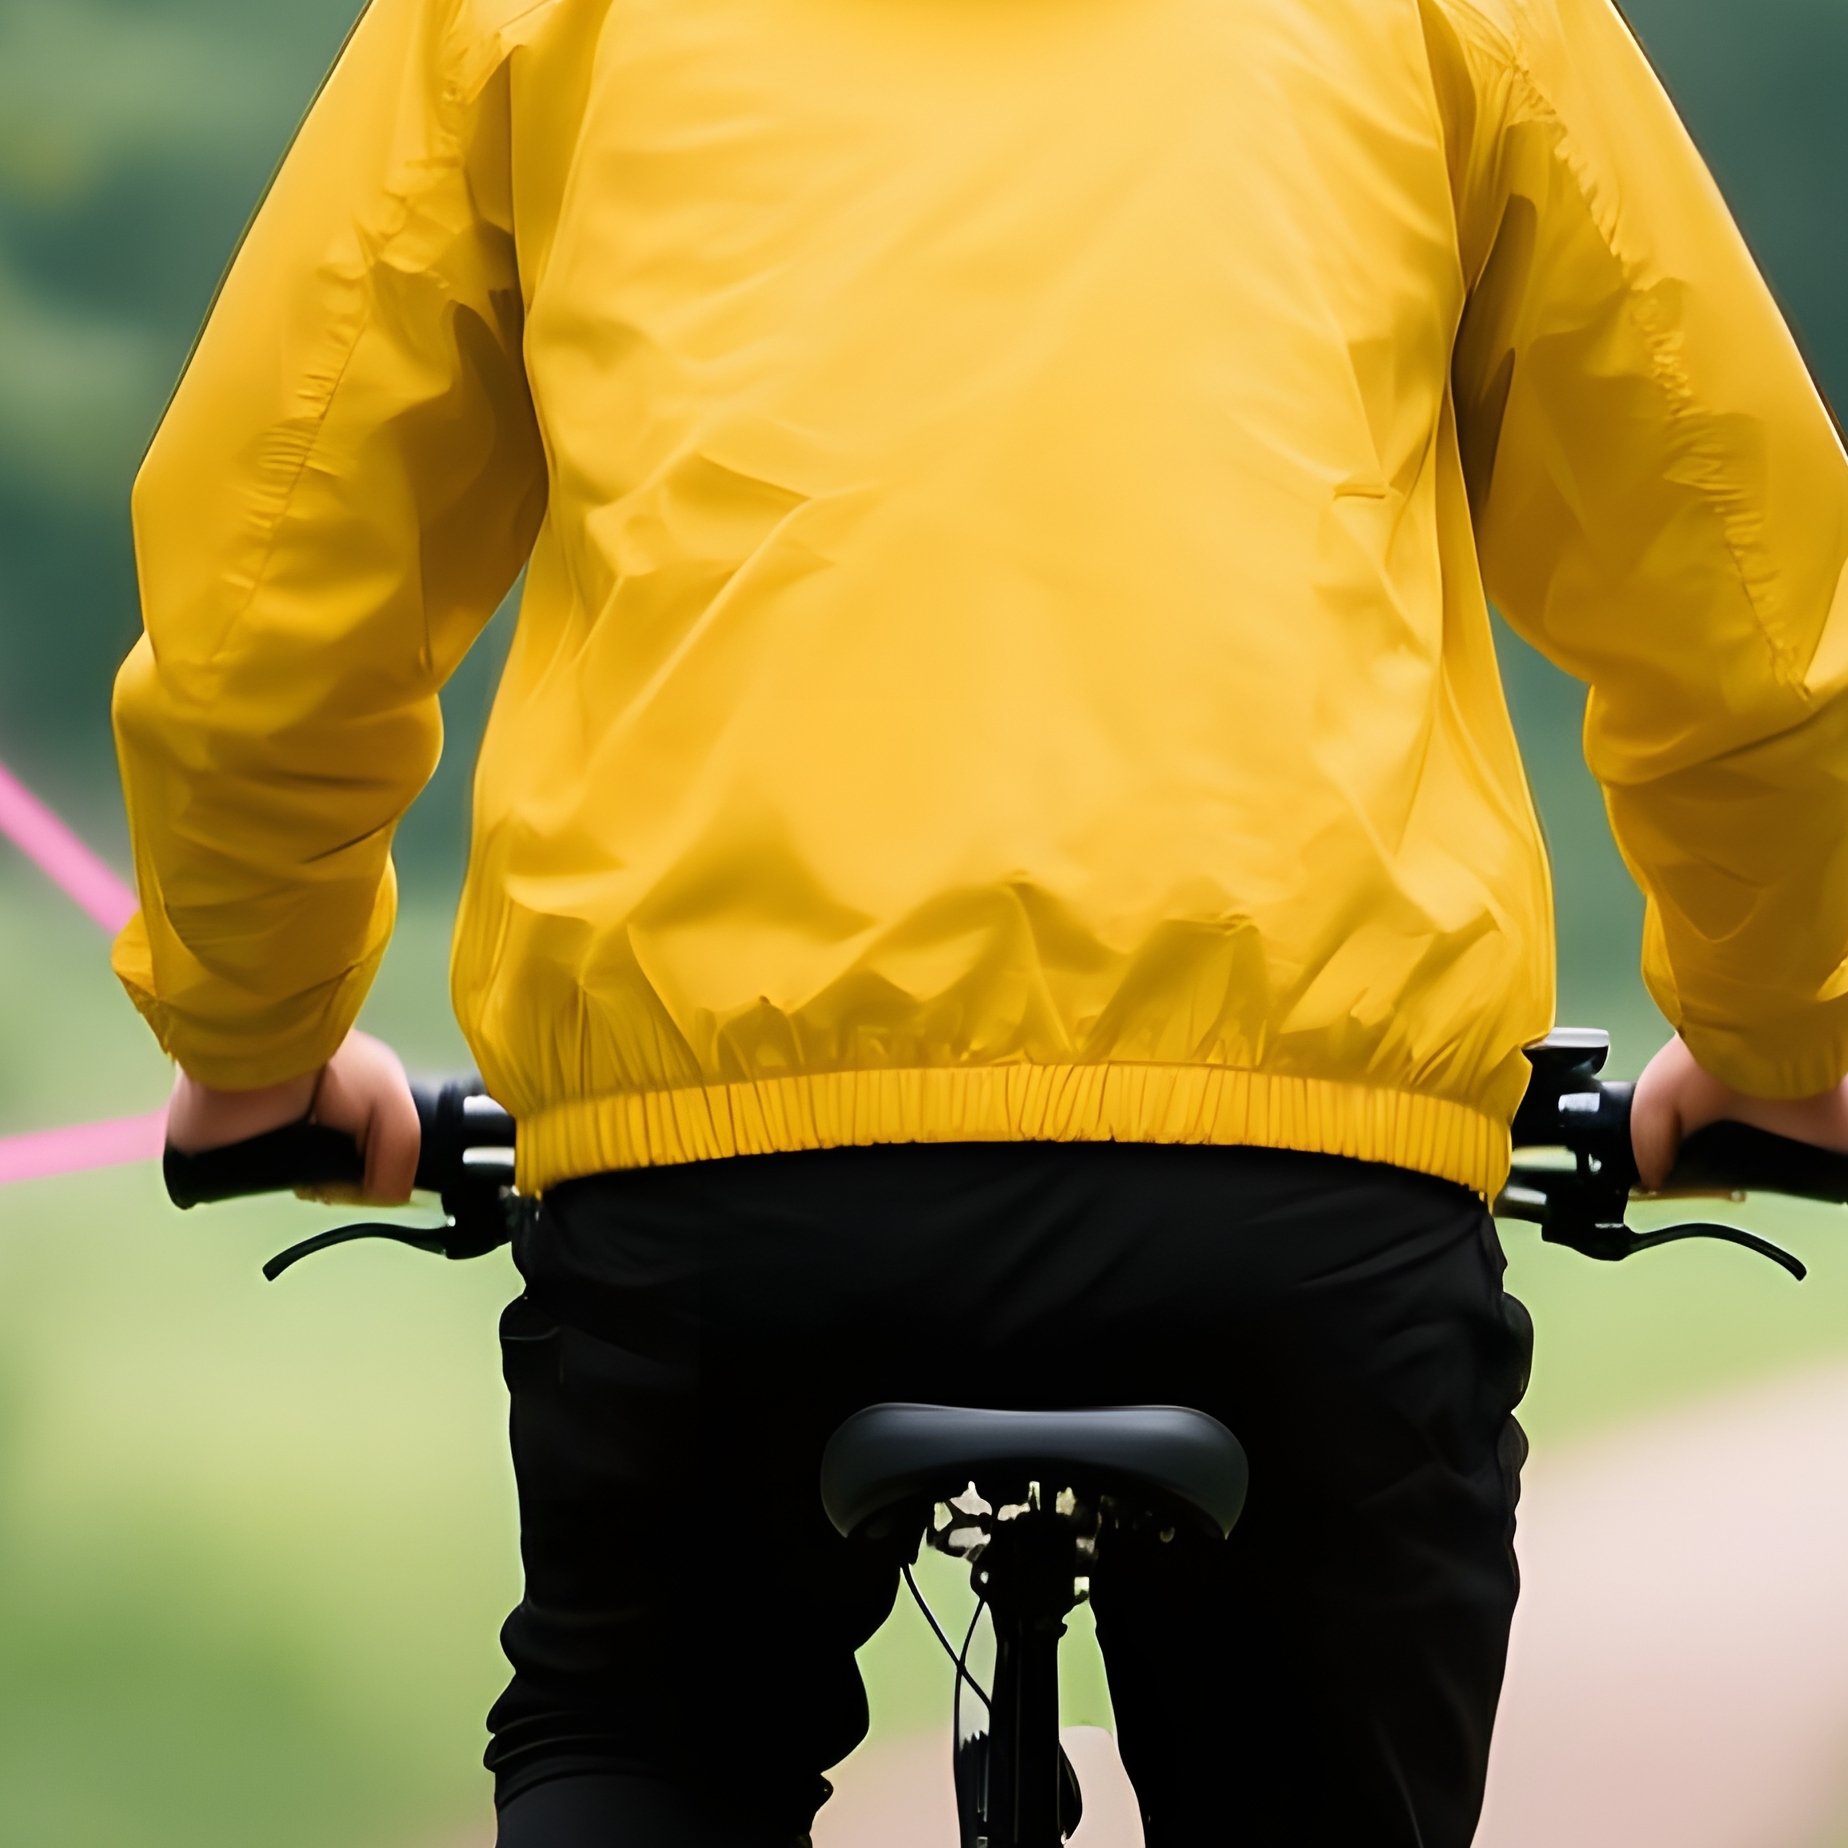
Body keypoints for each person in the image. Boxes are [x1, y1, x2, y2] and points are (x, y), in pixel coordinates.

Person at [117, 0, 1848, 1841]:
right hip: (1297, 1200)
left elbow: (265, 612)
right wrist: (1775, 1034)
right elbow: (1740, 602)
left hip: (733, 1186)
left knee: (645, 1721)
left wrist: (261, 1043)